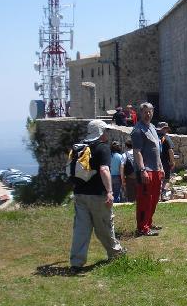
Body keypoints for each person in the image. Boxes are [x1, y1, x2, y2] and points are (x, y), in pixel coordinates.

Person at [70, 120, 126, 271]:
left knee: (81, 229)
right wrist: (109, 191)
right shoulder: (102, 148)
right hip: (98, 194)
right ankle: (115, 253)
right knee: (105, 226)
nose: (108, 134)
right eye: (106, 131)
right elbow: (104, 170)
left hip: (80, 194)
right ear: (101, 133)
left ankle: (76, 262)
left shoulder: (79, 147)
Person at [131, 102, 164, 236]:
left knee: (154, 198)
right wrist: (142, 169)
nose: (148, 114)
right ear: (140, 113)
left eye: (150, 111)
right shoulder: (138, 130)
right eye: (145, 112)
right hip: (146, 170)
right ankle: (142, 228)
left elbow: (157, 150)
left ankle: (148, 223)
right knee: (145, 199)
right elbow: (137, 152)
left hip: (156, 169)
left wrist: (161, 167)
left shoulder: (152, 128)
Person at [157, 122, 176, 202]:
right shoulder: (166, 138)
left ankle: (157, 196)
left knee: (157, 179)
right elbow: (170, 151)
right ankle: (163, 194)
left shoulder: (154, 137)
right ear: (164, 129)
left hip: (155, 161)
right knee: (166, 179)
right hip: (165, 162)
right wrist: (172, 162)